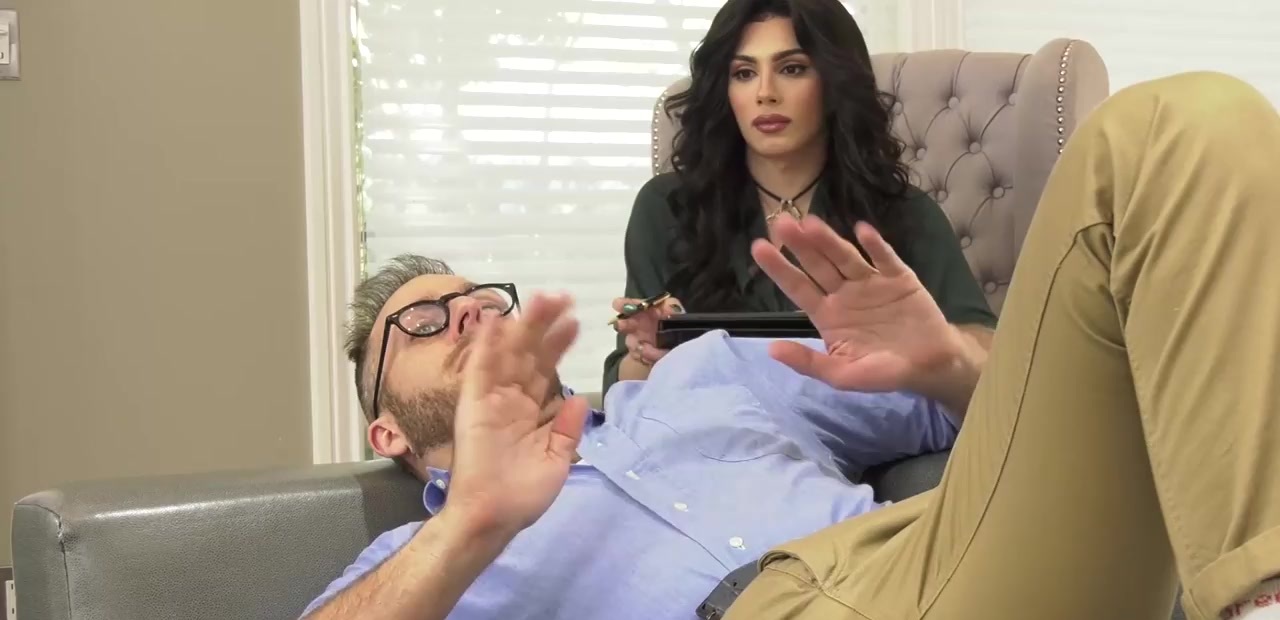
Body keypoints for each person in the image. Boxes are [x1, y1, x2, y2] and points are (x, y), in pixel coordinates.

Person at [303, 70, 1280, 620]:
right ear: (386, 430)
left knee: (1179, 124)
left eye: (480, 300)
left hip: (933, 560)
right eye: (422, 322)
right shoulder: (423, 559)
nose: (468, 316)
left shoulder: (703, 373)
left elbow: (1021, 420)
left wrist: (943, 360)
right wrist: (474, 520)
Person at [604, 0, 997, 393]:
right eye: (744, 73)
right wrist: (648, 354)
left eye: (792, 69)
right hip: (706, 425)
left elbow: (991, 362)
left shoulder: (904, 211)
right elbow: (622, 386)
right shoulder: (667, 206)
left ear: (834, 80)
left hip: (863, 425)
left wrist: (935, 344)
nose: (765, 93)